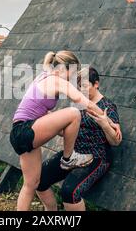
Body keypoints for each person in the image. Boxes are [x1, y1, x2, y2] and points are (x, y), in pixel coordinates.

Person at [11, 51, 120, 211]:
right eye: (74, 73)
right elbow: (85, 104)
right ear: (66, 69)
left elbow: (115, 140)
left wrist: (107, 123)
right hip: (26, 130)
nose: (72, 79)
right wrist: (109, 122)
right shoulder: (56, 80)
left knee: (31, 184)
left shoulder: (45, 74)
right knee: (73, 113)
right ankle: (69, 158)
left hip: (19, 133)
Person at [36, 68, 122, 211]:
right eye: (79, 86)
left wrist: (104, 123)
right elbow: (67, 133)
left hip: (97, 157)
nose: (81, 89)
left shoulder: (108, 107)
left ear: (96, 84)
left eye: (84, 85)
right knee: (38, 178)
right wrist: (51, 121)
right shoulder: (79, 104)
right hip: (75, 154)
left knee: (69, 192)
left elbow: (116, 141)